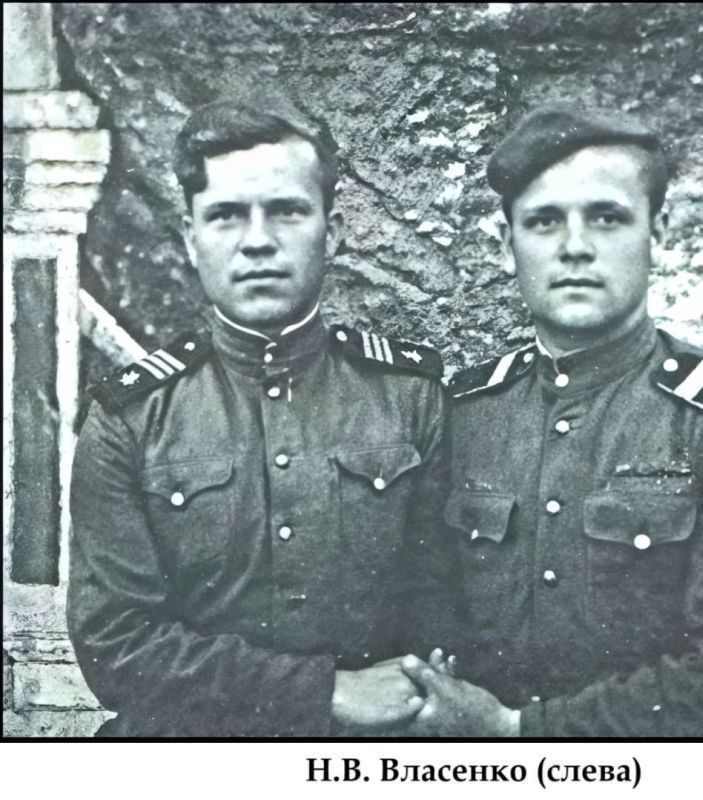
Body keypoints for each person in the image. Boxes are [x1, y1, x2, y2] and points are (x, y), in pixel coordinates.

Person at [400, 105, 703, 736]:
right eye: (544, 222)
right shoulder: (464, 412)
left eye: (607, 218)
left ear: (658, 232)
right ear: (506, 245)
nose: (575, 248)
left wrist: (519, 730)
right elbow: (426, 607)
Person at [67, 93, 457, 737]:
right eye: (226, 215)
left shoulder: (411, 398)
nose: (257, 241)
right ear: (191, 239)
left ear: (332, 232)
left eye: (286, 211)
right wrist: (324, 691)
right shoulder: (129, 418)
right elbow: (117, 645)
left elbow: (448, 608)